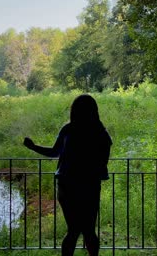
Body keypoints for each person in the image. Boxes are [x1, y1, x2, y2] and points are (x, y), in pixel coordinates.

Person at [23, 94, 112, 256]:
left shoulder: (68, 130)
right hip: (90, 186)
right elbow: (103, 162)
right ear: (95, 111)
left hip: (67, 185)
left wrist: (33, 147)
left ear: (74, 111)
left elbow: (54, 152)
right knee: (89, 230)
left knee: (73, 230)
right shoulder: (101, 132)